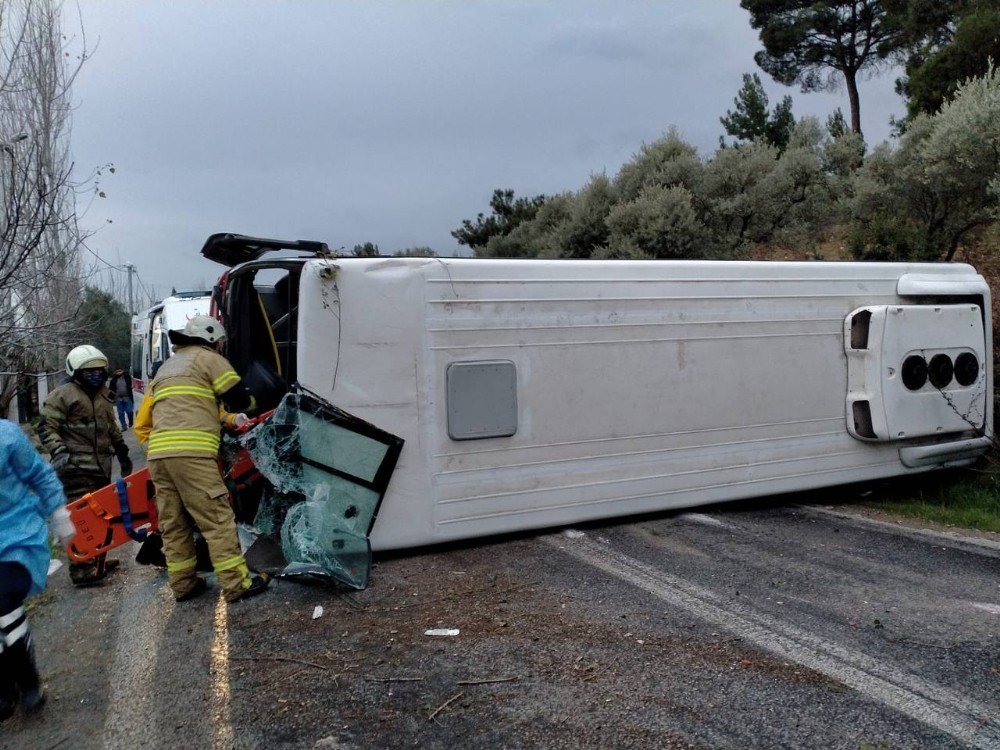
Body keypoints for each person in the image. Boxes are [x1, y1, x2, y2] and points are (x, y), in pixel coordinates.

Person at [136, 315, 268, 603]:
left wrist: (231, 419)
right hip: (193, 454)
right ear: (211, 340)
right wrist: (257, 399)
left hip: (159, 456)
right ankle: (236, 584)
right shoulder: (209, 359)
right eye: (219, 343)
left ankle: (183, 585)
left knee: (173, 523)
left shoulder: (168, 368)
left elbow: (192, 406)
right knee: (216, 519)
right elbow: (240, 400)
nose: (221, 347)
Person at [0, 418, 76, 720]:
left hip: (14, 535)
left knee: (4, 602)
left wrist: (59, 512)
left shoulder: (6, 435)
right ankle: (5, 686)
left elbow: (39, 473)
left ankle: (28, 678)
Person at [39, 345, 133, 586]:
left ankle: (97, 562)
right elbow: (46, 427)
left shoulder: (103, 395)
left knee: (102, 517)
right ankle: (81, 569)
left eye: (98, 371)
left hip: (101, 467)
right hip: (75, 468)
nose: (95, 375)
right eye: (88, 371)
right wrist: (59, 451)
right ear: (76, 372)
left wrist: (122, 452)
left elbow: (110, 427)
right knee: (81, 520)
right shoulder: (63, 395)